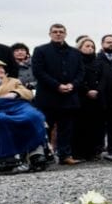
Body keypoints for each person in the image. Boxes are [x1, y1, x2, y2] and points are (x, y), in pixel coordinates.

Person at [32, 24, 85, 165]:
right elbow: (38, 72)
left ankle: (65, 156)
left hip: (69, 97)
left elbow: (81, 72)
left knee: (66, 129)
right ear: (50, 34)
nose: (58, 34)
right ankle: (44, 155)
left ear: (65, 34)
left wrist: (72, 85)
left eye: (61, 32)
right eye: (55, 32)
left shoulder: (75, 53)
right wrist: (57, 86)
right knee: (45, 128)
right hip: (48, 97)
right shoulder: (40, 50)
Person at [0, 60, 50, 173]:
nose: (1, 70)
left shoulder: (13, 81)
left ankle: (36, 153)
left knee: (34, 116)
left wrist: (15, 93)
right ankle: (7, 156)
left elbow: (28, 93)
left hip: (17, 105)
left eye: (2, 68)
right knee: (1, 119)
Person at [73, 37, 104, 161]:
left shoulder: (98, 62)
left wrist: (97, 90)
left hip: (96, 98)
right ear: (80, 47)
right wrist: (86, 90)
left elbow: (103, 78)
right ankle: (79, 153)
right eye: (87, 46)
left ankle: (93, 152)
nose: (90, 48)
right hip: (81, 97)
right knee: (80, 126)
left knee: (95, 126)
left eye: (92, 46)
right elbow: (77, 78)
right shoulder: (75, 62)